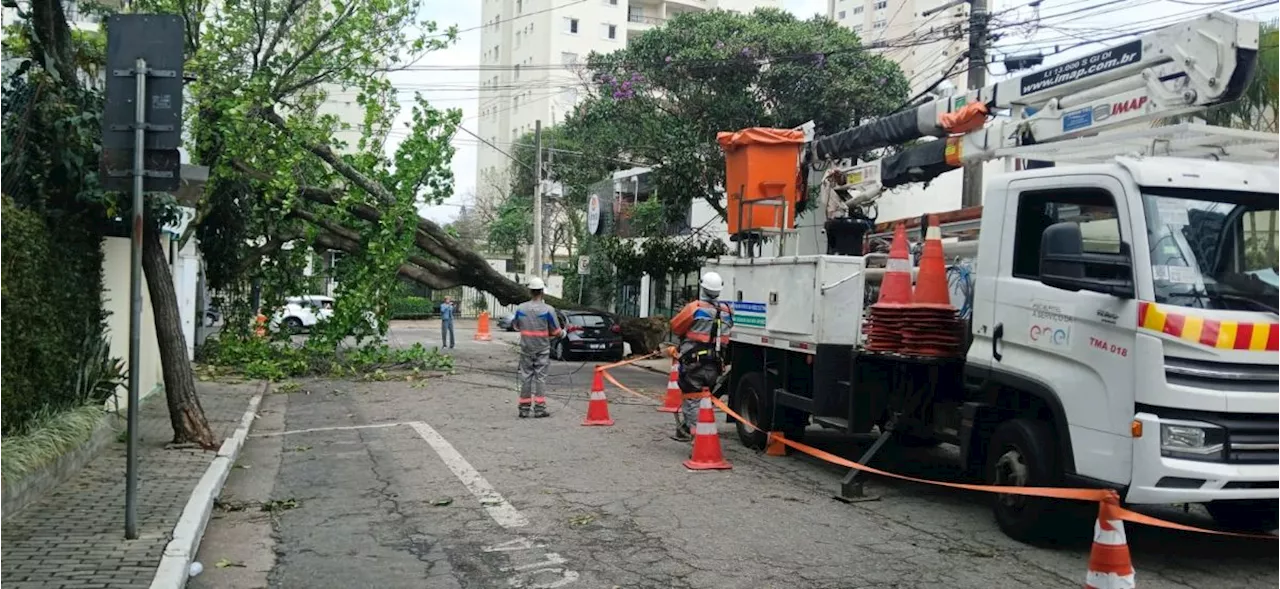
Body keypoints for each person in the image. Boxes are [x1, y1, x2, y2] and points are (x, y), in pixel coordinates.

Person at [669, 271, 733, 441]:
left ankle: (699, 441)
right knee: (704, 400)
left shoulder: (695, 308)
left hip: (693, 364)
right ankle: (686, 429)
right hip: (715, 365)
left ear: (702, 287)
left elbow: (675, 327)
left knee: (692, 400)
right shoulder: (727, 311)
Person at [512, 277, 561, 418]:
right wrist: (563, 333)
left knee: (526, 377)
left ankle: (524, 409)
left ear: (530, 291)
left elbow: (516, 326)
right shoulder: (548, 310)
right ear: (542, 292)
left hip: (526, 349)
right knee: (540, 378)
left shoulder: (521, 308)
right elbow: (556, 331)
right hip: (542, 349)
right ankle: (539, 409)